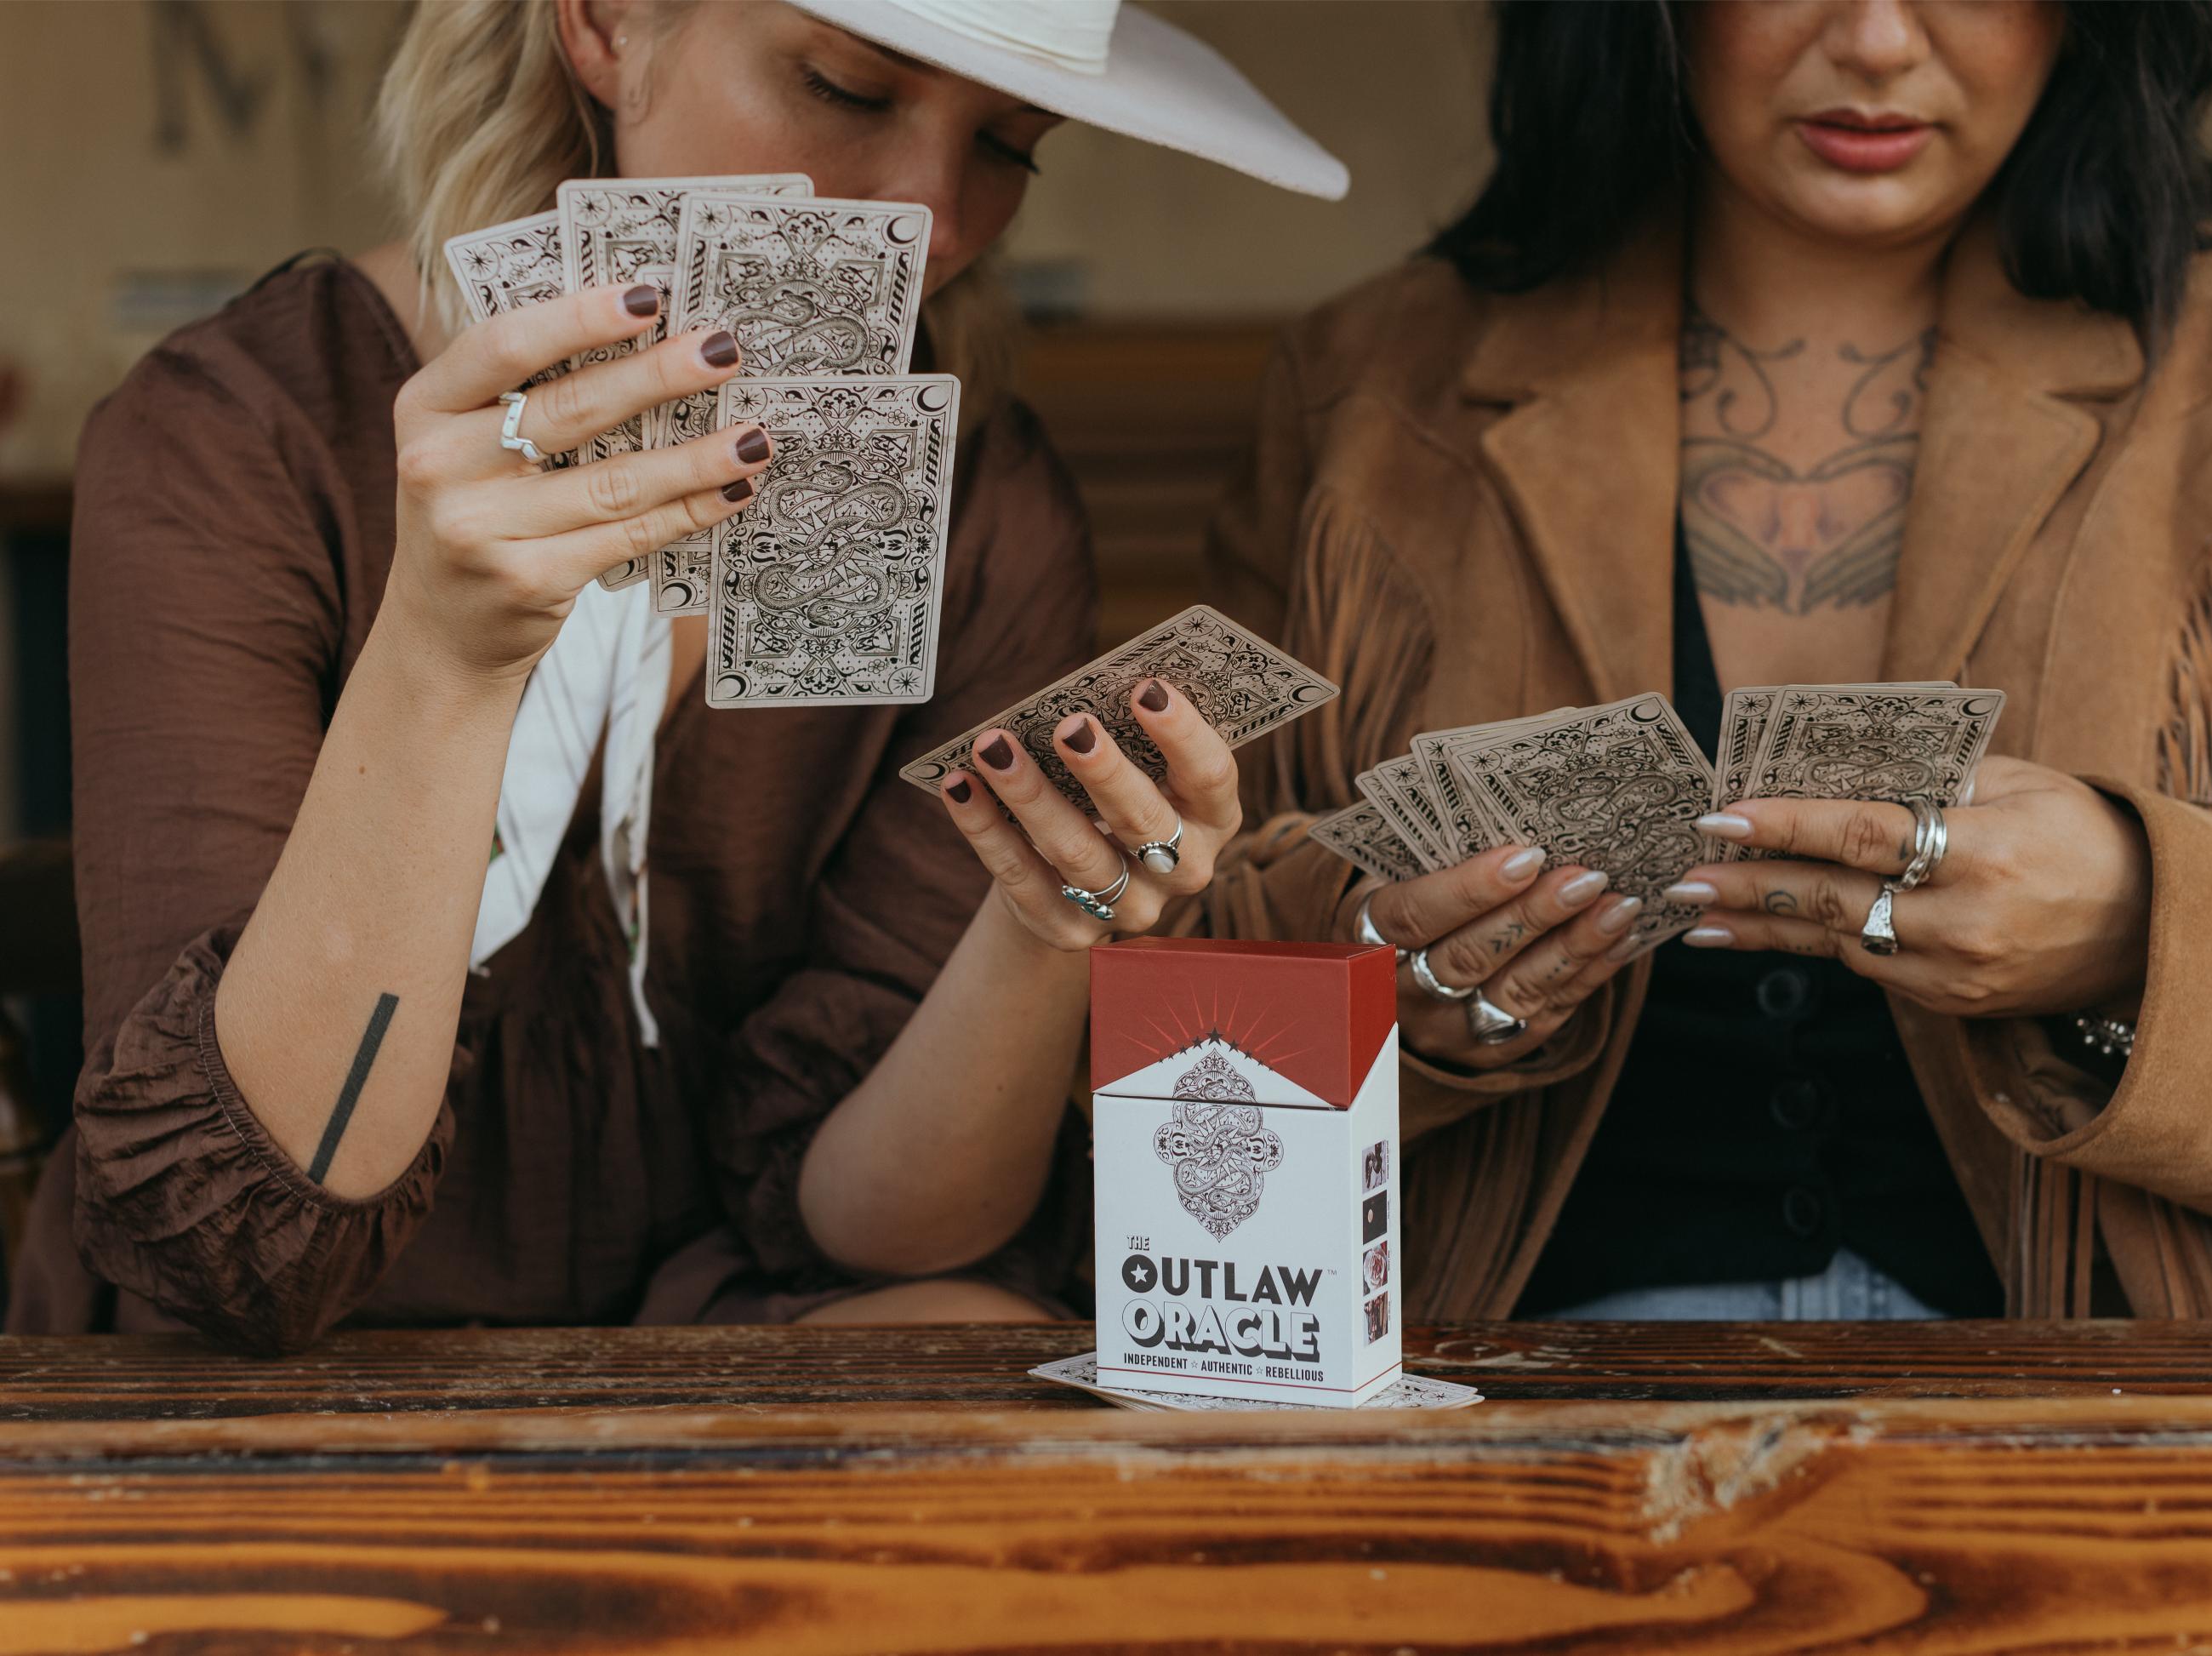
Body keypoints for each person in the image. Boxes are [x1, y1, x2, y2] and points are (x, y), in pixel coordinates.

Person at [7, 0, 1345, 1353]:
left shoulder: (985, 512)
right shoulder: (234, 440)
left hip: (729, 1337)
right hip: (273, 1349)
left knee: (976, 1344)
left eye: (1012, 145)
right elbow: (235, 1248)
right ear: (602, 27)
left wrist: (1048, 923)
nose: (937, 217)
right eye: (844, 88)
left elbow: (873, 1231)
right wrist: (446, 659)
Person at [1203, 0, 2212, 1325]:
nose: (1877, 40)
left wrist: (2133, 926)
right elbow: (1176, 998)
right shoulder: (1370, 388)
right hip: (1507, 1372)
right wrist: (1394, 994)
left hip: (2101, 1397)